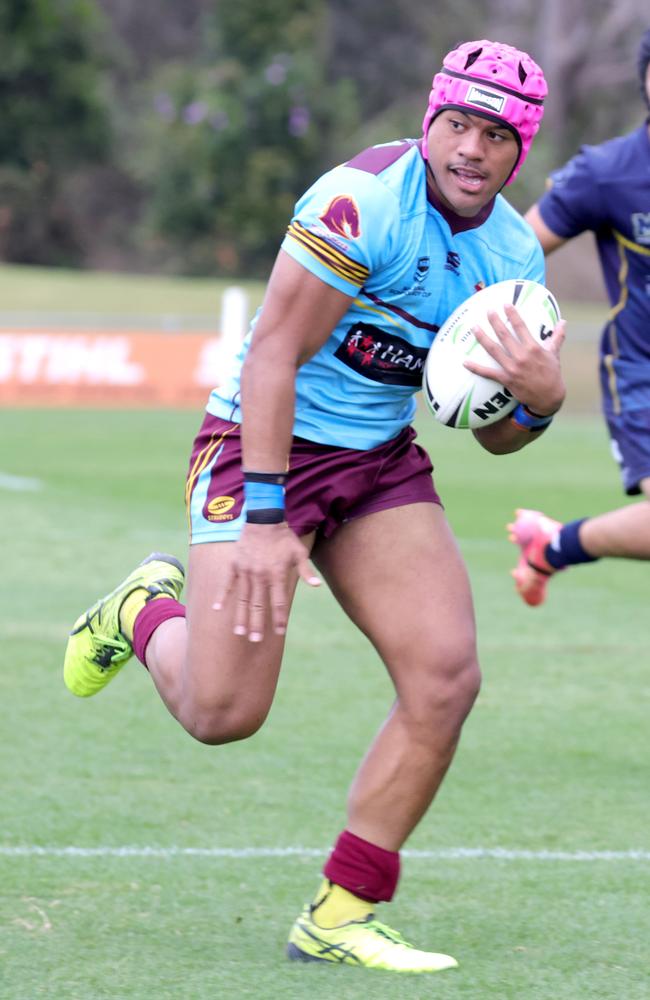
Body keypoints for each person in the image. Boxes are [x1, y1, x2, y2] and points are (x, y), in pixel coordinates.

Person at [63, 40, 565, 974]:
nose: (469, 149)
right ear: (430, 120)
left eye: (495, 135)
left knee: (446, 677)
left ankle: (342, 912)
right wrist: (263, 521)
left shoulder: (512, 256)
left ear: (518, 152)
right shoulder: (361, 200)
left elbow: (491, 432)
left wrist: (540, 396)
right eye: (456, 123)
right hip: (263, 448)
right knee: (222, 713)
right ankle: (145, 609)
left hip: (375, 462)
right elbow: (272, 356)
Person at [509, 29, 650, 607]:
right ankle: (554, 546)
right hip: (641, 374)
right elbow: (510, 256)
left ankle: (550, 544)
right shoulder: (610, 172)